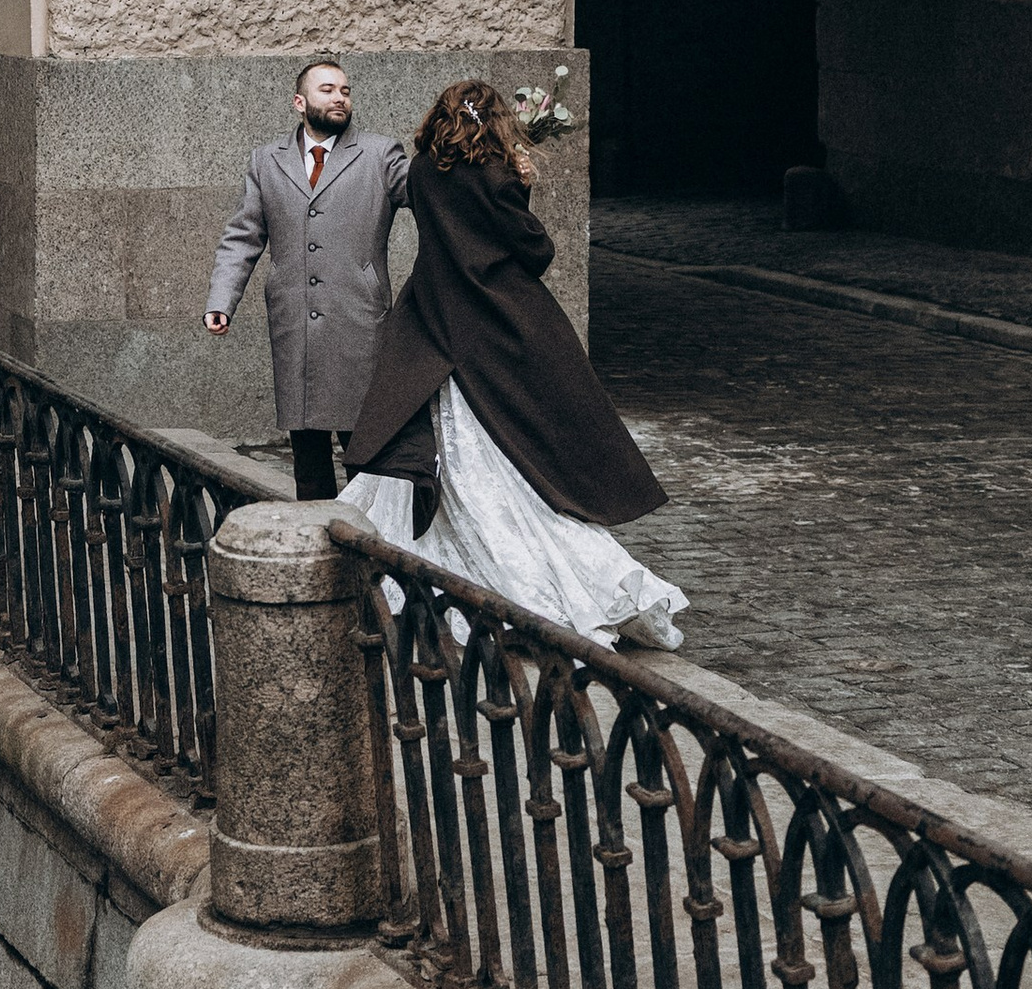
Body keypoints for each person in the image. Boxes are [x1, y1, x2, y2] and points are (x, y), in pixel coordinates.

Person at [339, 78, 688, 651]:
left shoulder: (422, 172)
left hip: (435, 320)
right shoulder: (497, 176)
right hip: (495, 320)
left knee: (457, 451)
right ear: (496, 120)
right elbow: (535, 251)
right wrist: (520, 186)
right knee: (515, 452)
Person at [205, 58, 409, 501]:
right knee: (308, 457)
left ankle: (372, 536)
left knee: (366, 455)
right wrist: (221, 301)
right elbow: (243, 235)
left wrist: (486, 169)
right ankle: (314, 534)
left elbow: (427, 193)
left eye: (345, 91)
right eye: (327, 90)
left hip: (358, 319)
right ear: (300, 102)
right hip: (294, 323)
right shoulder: (266, 160)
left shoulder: (380, 154)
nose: (339, 98)